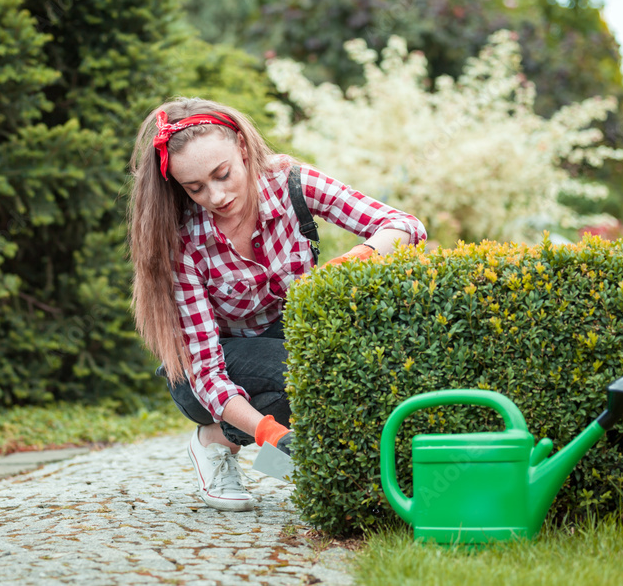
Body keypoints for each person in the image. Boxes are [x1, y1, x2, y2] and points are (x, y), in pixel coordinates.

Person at [127, 97, 427, 511]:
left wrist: (347, 263)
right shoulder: (184, 241)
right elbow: (208, 375)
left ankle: (293, 469)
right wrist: (273, 435)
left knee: (336, 362)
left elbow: (406, 226)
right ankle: (212, 441)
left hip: (282, 344)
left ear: (243, 149)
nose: (215, 195)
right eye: (195, 188)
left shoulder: (289, 182)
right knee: (301, 369)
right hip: (202, 375)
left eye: (223, 174)